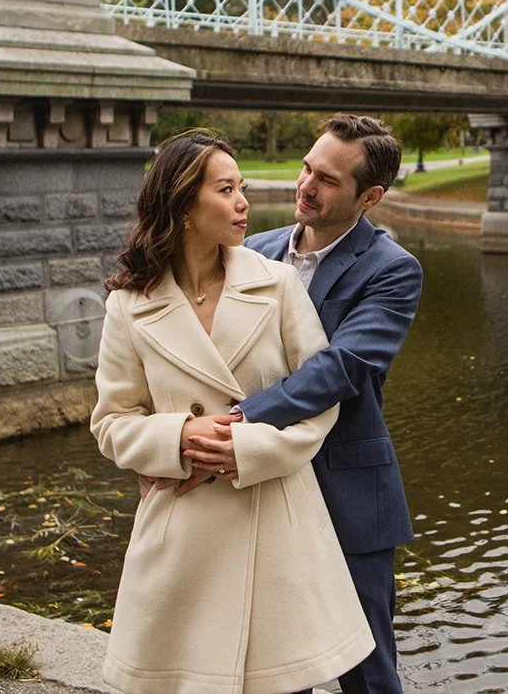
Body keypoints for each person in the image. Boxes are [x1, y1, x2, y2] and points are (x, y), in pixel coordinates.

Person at [93, 129, 374, 694]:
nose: (244, 202)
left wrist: (245, 449)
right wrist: (179, 438)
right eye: (226, 189)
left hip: (273, 518)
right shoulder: (128, 304)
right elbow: (111, 422)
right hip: (182, 529)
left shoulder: (276, 284)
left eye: (241, 187)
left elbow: (319, 403)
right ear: (183, 204)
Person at [161, 114, 423, 694]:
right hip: (258, 484)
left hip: (347, 491)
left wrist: (237, 420)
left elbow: (341, 369)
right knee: (275, 667)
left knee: (368, 670)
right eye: (307, 167)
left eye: (327, 179)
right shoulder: (252, 250)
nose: (306, 185)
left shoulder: (392, 270)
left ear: (369, 196)